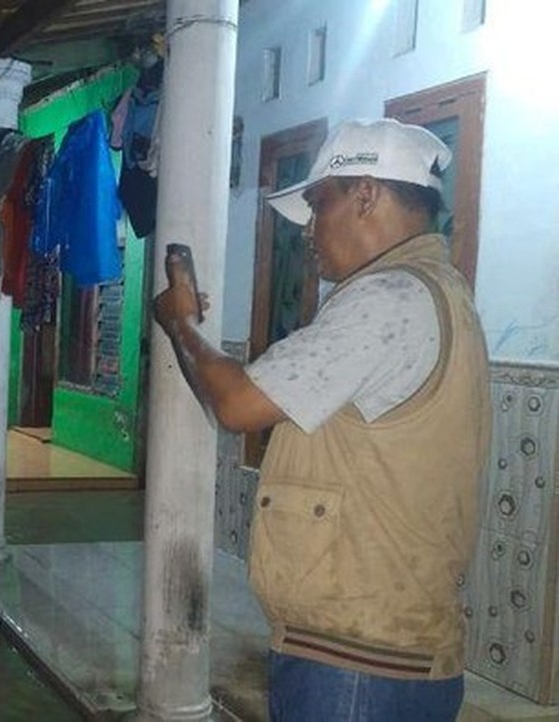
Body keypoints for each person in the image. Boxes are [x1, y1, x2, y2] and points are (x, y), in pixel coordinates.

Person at [152, 119, 490, 720]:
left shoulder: (388, 299)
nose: (309, 230)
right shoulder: (444, 292)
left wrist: (180, 322)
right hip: (388, 649)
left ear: (365, 194)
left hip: (358, 666)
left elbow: (237, 404)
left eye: (317, 204)